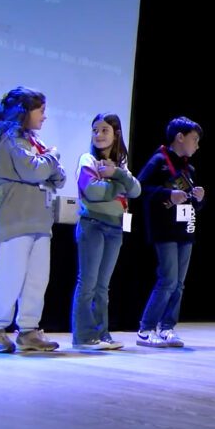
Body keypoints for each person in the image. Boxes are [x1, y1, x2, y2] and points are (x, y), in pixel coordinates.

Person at [0, 86, 66, 353]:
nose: (44, 116)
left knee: (37, 280)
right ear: (24, 111)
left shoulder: (33, 142)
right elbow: (34, 170)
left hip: (40, 222)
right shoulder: (10, 140)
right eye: (41, 110)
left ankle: (29, 330)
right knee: (9, 277)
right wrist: (51, 156)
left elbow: (59, 177)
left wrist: (47, 163)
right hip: (17, 220)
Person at [71, 113, 141, 350]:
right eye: (95, 130)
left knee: (102, 286)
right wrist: (119, 185)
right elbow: (92, 191)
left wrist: (116, 174)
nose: (98, 135)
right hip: (92, 224)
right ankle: (83, 336)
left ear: (116, 134)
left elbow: (136, 190)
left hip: (115, 228)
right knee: (88, 283)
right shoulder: (88, 160)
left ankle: (102, 334)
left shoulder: (120, 165)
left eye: (104, 130)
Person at [135, 116, 205, 348]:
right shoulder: (159, 161)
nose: (197, 145)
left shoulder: (188, 168)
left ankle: (167, 327)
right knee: (167, 280)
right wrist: (167, 195)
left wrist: (199, 198)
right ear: (180, 137)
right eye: (195, 139)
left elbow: (192, 204)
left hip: (185, 229)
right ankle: (146, 328)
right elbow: (140, 188)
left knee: (179, 283)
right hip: (163, 229)